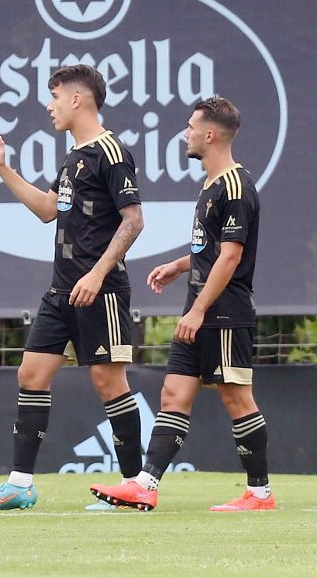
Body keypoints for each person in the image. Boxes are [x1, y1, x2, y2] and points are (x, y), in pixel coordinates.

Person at [0, 64, 144, 513]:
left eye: (55, 96)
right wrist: (3, 170)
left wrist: (97, 273)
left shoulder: (111, 151)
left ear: (78, 100)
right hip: (60, 290)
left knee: (108, 381)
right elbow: (48, 209)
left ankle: (131, 485)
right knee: (31, 374)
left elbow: (134, 220)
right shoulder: (73, 157)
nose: (49, 106)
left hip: (99, 289)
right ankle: (20, 485)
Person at [91, 97, 272, 512]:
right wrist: (178, 265)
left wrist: (197, 310)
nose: (185, 133)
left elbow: (231, 257)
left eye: (191, 127)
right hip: (203, 307)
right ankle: (145, 485)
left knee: (237, 399)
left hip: (224, 312)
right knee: (173, 393)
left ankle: (260, 493)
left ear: (210, 134)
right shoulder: (211, 184)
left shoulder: (235, 185)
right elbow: (213, 251)